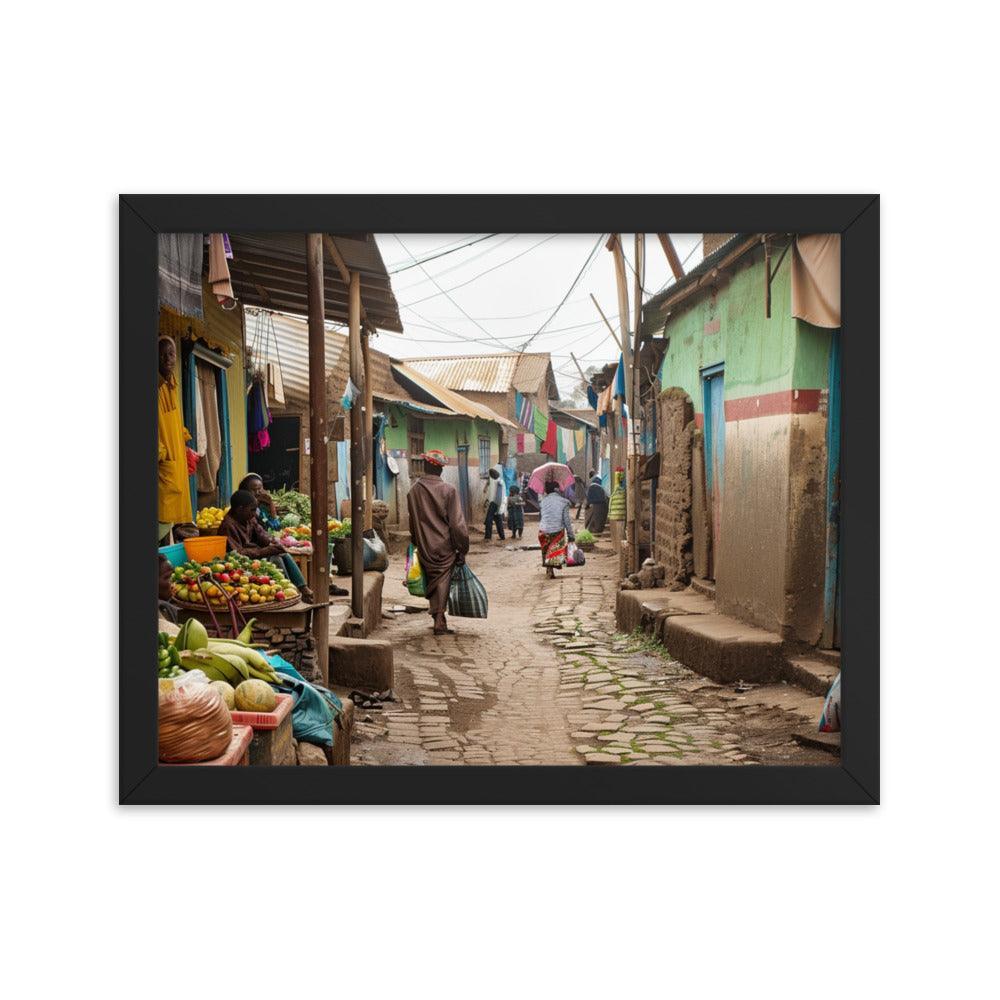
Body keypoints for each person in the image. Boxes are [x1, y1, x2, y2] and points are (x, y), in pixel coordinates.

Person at [407, 450, 470, 635]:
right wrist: (462, 548)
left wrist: (416, 541)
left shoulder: (413, 491)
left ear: (425, 467)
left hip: (424, 544)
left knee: (433, 580)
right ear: (440, 470)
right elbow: (457, 525)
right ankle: (440, 618)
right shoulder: (448, 490)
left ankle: (437, 615)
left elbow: (412, 522)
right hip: (444, 545)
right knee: (442, 579)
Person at [220, 490, 318, 602]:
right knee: (276, 559)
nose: (254, 513)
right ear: (240, 509)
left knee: (282, 554)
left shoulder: (249, 518)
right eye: (252, 510)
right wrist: (265, 551)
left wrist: (273, 542)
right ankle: (289, 592)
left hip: (255, 554)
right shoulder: (228, 525)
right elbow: (237, 553)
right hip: (241, 563)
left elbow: (261, 534)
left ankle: (303, 589)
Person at [157, 336, 193, 542]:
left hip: (175, 466)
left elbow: (173, 423)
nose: (168, 359)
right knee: (161, 524)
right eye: (163, 354)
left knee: (168, 527)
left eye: (171, 354)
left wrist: (184, 443)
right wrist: (163, 454)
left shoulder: (171, 384)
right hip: (164, 468)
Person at [538, 479, 574, 579]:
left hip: (543, 531)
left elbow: (542, 516)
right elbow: (566, 521)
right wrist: (571, 535)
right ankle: (551, 566)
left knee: (546, 549)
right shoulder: (564, 502)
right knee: (554, 548)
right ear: (557, 489)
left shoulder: (543, 501)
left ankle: (548, 567)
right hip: (556, 532)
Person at [483, 464, 506, 541]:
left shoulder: (498, 482)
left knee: (488, 520)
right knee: (498, 520)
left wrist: (498, 505)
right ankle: (502, 536)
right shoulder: (500, 481)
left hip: (495, 503)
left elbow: (498, 496)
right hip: (498, 503)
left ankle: (488, 537)